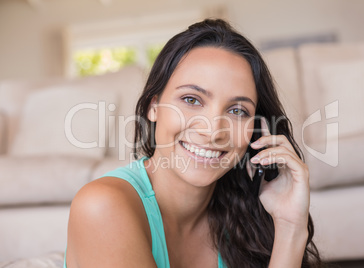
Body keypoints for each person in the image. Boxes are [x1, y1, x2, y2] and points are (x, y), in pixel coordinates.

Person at [64, 19, 323, 268]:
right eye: (191, 100)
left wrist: (290, 225)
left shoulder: (241, 216)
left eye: (237, 110)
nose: (212, 132)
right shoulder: (102, 206)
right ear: (154, 107)